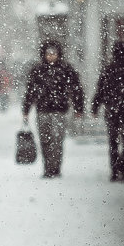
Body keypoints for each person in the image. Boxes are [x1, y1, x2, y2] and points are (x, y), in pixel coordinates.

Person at [22, 39, 84, 178]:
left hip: (60, 110)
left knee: (57, 140)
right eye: (48, 53)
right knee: (45, 140)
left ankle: (55, 167)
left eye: (53, 53)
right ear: (43, 54)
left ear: (58, 54)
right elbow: (30, 91)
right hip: (42, 110)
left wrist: (78, 107)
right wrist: (26, 110)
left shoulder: (66, 69)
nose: (51, 56)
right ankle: (47, 167)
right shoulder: (38, 70)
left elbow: (76, 89)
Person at [91, 40, 124, 182]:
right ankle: (122, 169)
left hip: (112, 109)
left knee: (113, 141)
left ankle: (114, 170)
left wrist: (95, 107)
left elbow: (100, 90)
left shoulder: (108, 69)